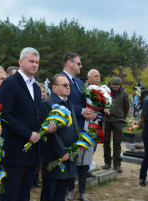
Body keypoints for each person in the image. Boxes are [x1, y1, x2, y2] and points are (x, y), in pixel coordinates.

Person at [0, 47, 55, 201]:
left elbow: (35, 116)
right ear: (20, 62)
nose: (35, 65)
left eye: (37, 62)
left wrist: (46, 126)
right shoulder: (10, 83)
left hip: (33, 151)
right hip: (15, 150)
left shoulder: (36, 88)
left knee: (25, 194)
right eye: (31, 61)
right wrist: (27, 133)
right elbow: (4, 115)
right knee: (10, 194)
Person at [62, 53, 97, 201]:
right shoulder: (60, 80)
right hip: (69, 129)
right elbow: (62, 103)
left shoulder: (80, 83)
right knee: (72, 161)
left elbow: (88, 104)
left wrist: (93, 113)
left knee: (85, 162)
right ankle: (70, 190)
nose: (81, 66)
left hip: (85, 127)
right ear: (69, 63)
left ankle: (82, 192)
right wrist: (82, 111)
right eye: (78, 63)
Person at [40, 74, 78, 201]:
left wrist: (77, 145)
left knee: (61, 192)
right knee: (50, 191)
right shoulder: (48, 103)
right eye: (65, 85)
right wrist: (61, 152)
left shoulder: (68, 102)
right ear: (54, 88)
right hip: (54, 156)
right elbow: (50, 133)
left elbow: (73, 127)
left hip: (69, 154)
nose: (68, 87)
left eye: (69, 85)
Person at [103, 77, 129, 173]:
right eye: (113, 86)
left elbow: (126, 106)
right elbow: (101, 103)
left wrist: (123, 117)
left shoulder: (124, 94)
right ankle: (107, 162)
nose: (115, 88)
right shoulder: (105, 92)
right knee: (106, 141)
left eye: (117, 86)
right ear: (110, 84)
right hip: (107, 119)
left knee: (117, 143)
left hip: (118, 120)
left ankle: (117, 164)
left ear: (120, 85)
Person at [140, 99, 148, 187]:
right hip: (147, 134)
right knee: (147, 157)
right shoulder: (147, 102)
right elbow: (145, 116)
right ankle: (142, 178)